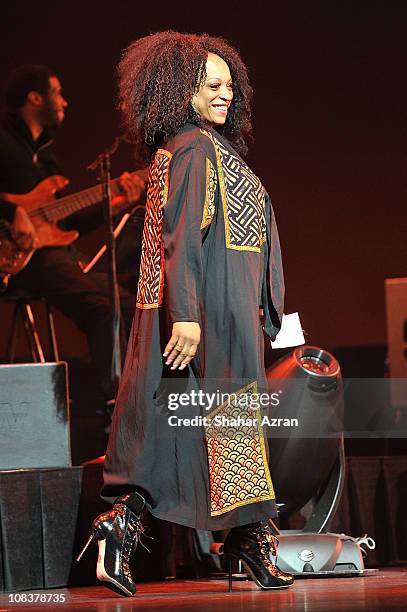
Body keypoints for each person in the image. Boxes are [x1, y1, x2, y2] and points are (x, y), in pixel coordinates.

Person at [77, 31, 293, 596]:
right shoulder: (195, 148)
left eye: (229, 86)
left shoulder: (194, 148)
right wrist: (190, 315)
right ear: (181, 92)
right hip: (209, 309)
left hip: (212, 305)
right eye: (211, 86)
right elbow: (181, 239)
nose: (225, 95)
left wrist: (269, 313)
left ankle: (229, 535)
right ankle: (232, 536)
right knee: (222, 421)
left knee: (187, 430)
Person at [0, 64, 145, 407]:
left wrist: (115, 203)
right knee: (101, 308)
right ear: (35, 98)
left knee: (126, 303)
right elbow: (19, 213)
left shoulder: (46, 159)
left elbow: (64, 224)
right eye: (57, 93)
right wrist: (11, 211)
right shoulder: (3, 142)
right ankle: (118, 405)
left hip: (51, 253)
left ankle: (135, 395)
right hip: (21, 258)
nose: (64, 102)